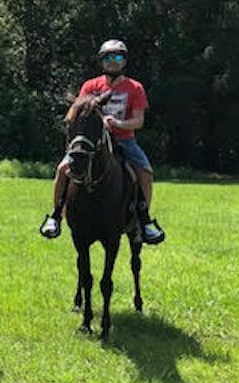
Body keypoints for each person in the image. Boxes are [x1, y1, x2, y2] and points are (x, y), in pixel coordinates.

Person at [39, 39, 165, 244]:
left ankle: (144, 221)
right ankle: (55, 216)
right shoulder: (90, 86)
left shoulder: (135, 87)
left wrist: (117, 123)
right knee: (63, 169)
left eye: (117, 57)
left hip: (124, 140)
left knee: (145, 172)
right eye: (108, 57)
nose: (113, 61)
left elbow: (139, 120)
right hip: (91, 142)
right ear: (101, 61)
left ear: (124, 61)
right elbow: (77, 111)